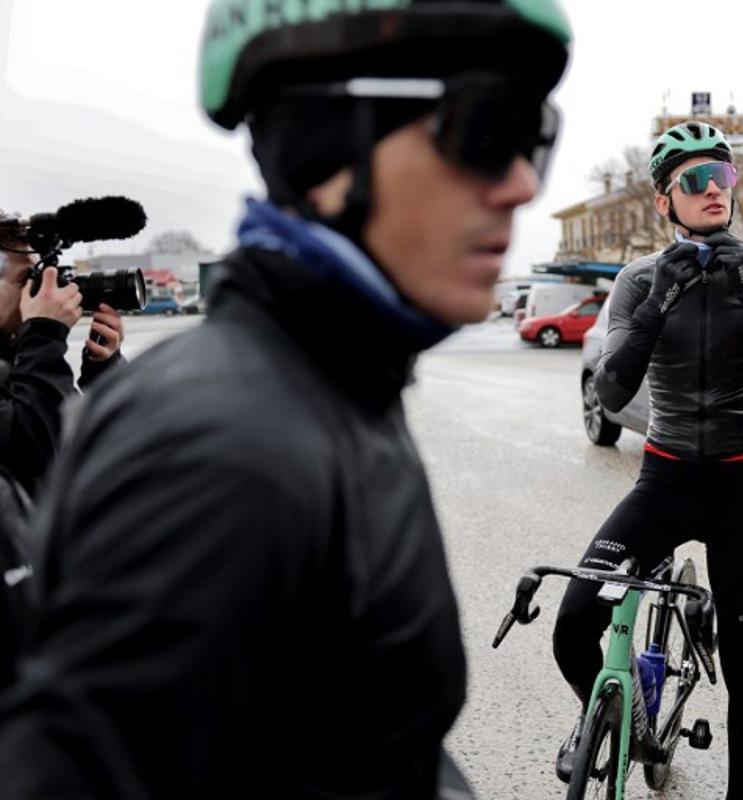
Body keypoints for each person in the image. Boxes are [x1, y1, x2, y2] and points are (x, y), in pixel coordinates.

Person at [0, 2, 570, 797]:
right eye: (488, 129)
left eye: (536, 136)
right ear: (329, 147)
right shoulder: (220, 447)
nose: (520, 184)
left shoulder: (337, 376)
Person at [552, 122, 743, 800]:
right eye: (695, 182)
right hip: (664, 479)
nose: (714, 192)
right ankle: (620, 720)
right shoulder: (637, 278)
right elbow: (613, 393)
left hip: (738, 484)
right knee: (571, 629)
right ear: (663, 201)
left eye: (723, 179)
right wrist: (655, 308)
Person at [0, 233, 124, 690]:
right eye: (30, 279)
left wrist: (103, 370)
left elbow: (102, 459)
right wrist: (46, 336)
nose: (45, 289)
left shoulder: (20, 359)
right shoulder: (31, 354)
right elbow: (34, 444)